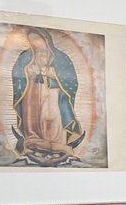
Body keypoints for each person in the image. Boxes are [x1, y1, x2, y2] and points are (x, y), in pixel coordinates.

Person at [9, 26, 86, 166]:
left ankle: (57, 143)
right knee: (32, 116)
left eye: (37, 38)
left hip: (53, 91)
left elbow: (70, 79)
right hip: (31, 91)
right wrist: (28, 71)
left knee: (51, 116)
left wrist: (51, 72)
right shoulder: (26, 56)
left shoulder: (60, 57)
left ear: (46, 39)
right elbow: (18, 74)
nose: (34, 42)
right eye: (31, 40)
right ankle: (34, 140)